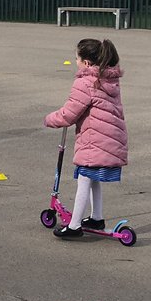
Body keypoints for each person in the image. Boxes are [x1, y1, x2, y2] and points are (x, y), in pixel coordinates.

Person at [43, 37, 127, 239]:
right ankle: (96, 217)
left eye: (77, 59)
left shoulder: (85, 82)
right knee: (93, 178)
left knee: (84, 179)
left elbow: (70, 113)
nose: (75, 62)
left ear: (87, 63)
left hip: (95, 140)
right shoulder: (108, 79)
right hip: (107, 138)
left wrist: (50, 119)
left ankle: (74, 226)